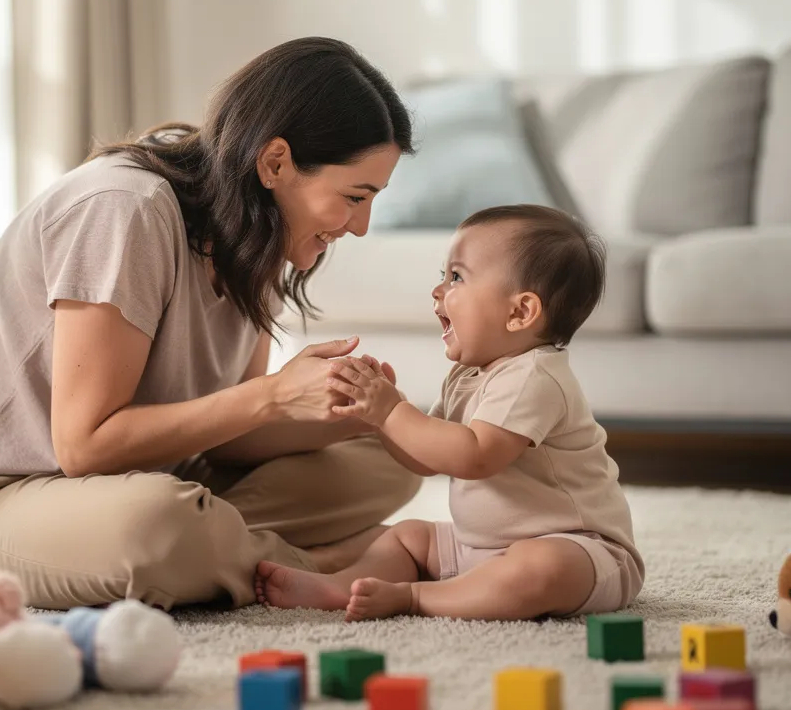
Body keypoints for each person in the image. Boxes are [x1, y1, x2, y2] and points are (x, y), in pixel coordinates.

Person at [0, 37, 418, 610]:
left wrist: (350, 415)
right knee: (162, 526)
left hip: (147, 478)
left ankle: (229, 547)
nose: (361, 226)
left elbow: (227, 439)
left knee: (394, 450)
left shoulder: (256, 236)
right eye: (353, 196)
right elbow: (85, 447)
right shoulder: (124, 208)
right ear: (275, 163)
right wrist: (271, 396)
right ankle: (322, 563)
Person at [254, 204, 645, 621]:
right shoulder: (467, 374)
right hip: (479, 548)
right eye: (442, 277)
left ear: (520, 312)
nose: (438, 291)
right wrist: (379, 416)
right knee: (407, 539)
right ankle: (340, 585)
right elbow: (425, 458)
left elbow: (474, 456)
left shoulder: (535, 376)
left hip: (581, 551)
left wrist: (393, 412)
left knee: (541, 568)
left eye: (456, 277)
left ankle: (415, 598)